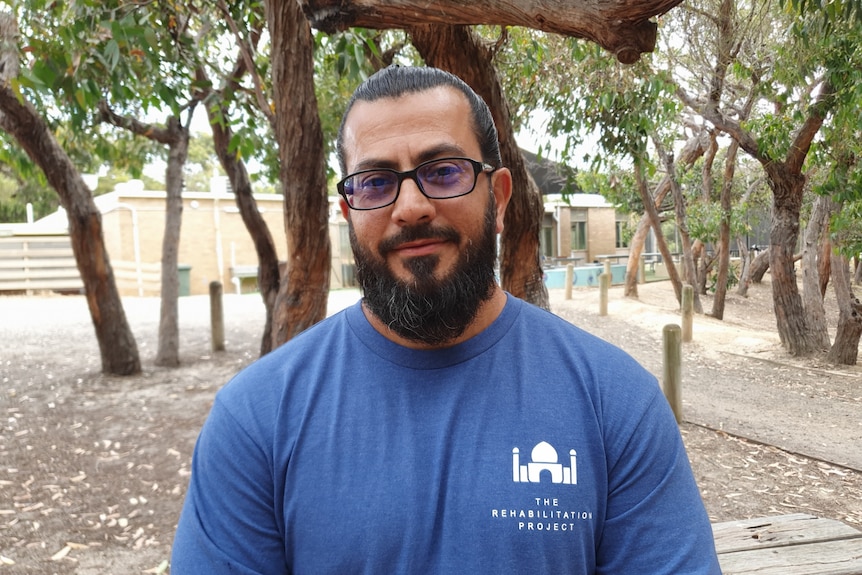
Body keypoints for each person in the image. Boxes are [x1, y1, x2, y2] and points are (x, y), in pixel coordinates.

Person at [171, 65, 721, 574]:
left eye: (444, 170)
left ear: (499, 198)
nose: (409, 207)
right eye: (376, 182)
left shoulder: (615, 403)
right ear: (349, 211)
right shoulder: (256, 419)